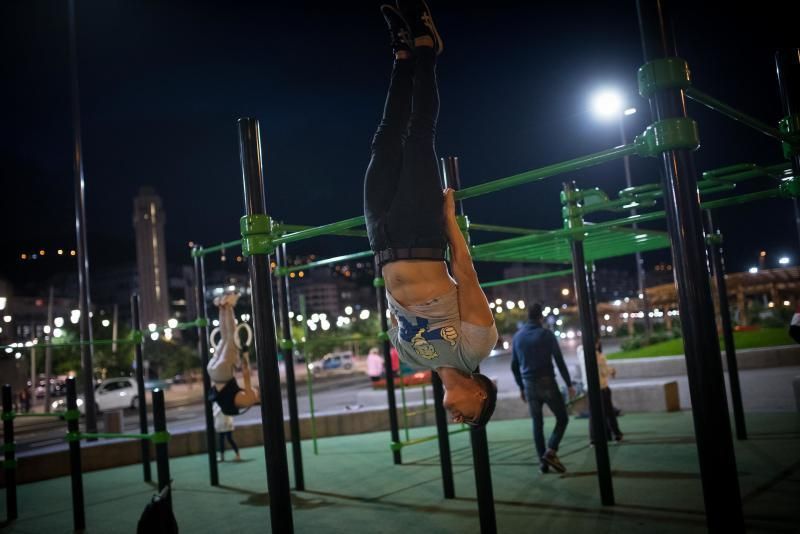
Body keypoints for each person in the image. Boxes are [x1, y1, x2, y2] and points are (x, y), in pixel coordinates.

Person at [363, 0, 498, 427]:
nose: (461, 419)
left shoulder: (406, 358)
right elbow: (466, 271)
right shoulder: (478, 347)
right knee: (419, 134)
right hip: (422, 236)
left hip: (382, 242)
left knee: (384, 141)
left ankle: (402, 55)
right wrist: (448, 219)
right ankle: (426, 45)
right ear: (481, 393)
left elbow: (394, 305)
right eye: (473, 418)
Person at [511, 302, 575, 474]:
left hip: (529, 385)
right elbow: (559, 361)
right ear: (541, 317)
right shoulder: (546, 334)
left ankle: (543, 463)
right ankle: (551, 450)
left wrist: (520, 387)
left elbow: (514, 366)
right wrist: (569, 384)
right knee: (562, 418)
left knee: (537, 424)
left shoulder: (517, 337)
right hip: (548, 382)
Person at [207, 292, 259, 415]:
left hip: (223, 373)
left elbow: (246, 374)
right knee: (225, 338)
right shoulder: (235, 403)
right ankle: (222, 307)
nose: (257, 392)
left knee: (232, 338)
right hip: (213, 372)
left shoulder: (250, 400)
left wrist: (245, 359)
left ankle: (228, 305)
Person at [589, 341, 623, 445]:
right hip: (602, 387)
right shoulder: (598, 356)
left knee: (594, 414)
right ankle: (616, 434)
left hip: (590, 388)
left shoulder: (582, 353)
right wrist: (612, 370)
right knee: (609, 412)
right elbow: (603, 371)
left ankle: (594, 438)